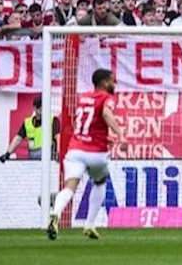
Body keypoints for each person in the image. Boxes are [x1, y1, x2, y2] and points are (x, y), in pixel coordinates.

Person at [48, 69, 128, 241]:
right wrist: (120, 135)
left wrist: (105, 137)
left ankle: (55, 212)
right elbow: (106, 114)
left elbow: (88, 125)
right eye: (112, 81)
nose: (113, 84)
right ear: (104, 82)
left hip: (76, 150)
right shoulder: (107, 98)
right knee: (99, 182)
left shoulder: (83, 98)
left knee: (69, 188)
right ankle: (90, 224)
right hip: (96, 154)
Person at [0, 96, 60, 161]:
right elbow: (18, 138)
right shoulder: (27, 123)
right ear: (34, 108)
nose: (42, 109)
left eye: (43, 106)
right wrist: (8, 153)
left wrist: (58, 153)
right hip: (32, 155)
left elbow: (58, 137)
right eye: (39, 107)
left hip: (48, 155)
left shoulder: (53, 120)